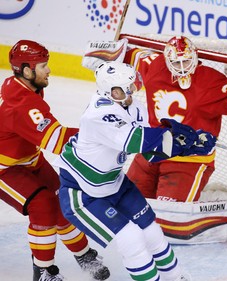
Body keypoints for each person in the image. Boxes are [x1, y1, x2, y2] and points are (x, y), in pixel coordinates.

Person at [53, 61, 215, 281]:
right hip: (83, 192)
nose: (131, 92)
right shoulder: (98, 114)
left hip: (115, 183)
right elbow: (137, 141)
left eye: (131, 86)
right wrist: (178, 139)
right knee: (131, 238)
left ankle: (176, 278)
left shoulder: (134, 107)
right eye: (126, 88)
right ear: (111, 91)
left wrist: (188, 145)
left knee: (152, 232)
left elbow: (150, 152)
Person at [82, 35, 227, 203]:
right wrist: (106, 57)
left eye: (186, 61)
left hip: (189, 160)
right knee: (126, 205)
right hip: (151, 151)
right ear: (166, 59)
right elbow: (124, 55)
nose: (181, 68)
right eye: (176, 62)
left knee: (168, 217)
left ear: (195, 57)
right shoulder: (154, 65)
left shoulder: (210, 82)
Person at [0, 40, 110, 281]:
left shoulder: (28, 86)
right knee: (43, 206)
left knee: (63, 200)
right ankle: (44, 272)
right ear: (27, 71)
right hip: (5, 169)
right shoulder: (21, 103)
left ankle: (83, 255)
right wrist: (102, 133)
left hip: (30, 160)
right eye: (43, 66)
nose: (48, 70)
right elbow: (58, 141)